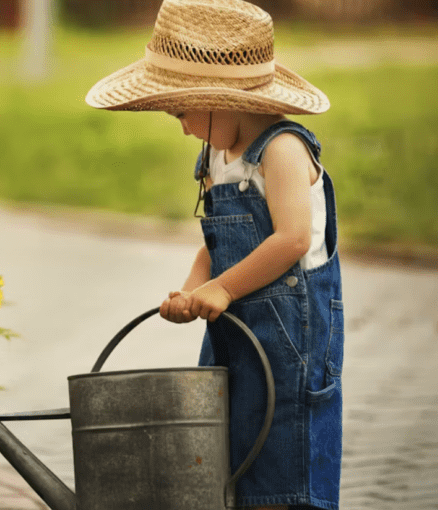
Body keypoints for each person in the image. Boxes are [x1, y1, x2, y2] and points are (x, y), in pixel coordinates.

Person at [84, 1, 344, 509]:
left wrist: (222, 288)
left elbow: (291, 239)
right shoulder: (215, 157)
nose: (181, 127)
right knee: (229, 451)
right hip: (233, 332)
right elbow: (216, 242)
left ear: (222, 100)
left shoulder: (282, 148)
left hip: (291, 339)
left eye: (181, 112)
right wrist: (193, 288)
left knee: (284, 456)